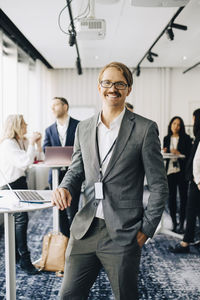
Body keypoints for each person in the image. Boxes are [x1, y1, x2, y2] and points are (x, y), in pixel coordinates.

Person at [52, 62, 169, 300]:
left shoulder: (145, 129)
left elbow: (159, 186)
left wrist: (146, 230)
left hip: (124, 232)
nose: (112, 88)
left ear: (128, 89)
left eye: (119, 83)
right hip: (85, 229)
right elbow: (76, 169)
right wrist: (64, 186)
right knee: (68, 296)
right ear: (99, 87)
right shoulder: (84, 128)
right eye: (107, 82)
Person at [0, 114, 43, 274]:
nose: (27, 125)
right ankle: (24, 260)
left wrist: (36, 145)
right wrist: (31, 144)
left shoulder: (22, 141)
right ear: (17, 125)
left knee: (20, 221)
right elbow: (25, 162)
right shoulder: (8, 144)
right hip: (10, 186)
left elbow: (38, 158)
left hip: (20, 184)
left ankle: (16, 257)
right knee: (21, 220)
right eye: (24, 123)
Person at [43, 97, 80, 238]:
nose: (52, 108)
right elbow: (46, 149)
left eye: (55, 105)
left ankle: (75, 239)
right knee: (59, 210)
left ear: (65, 107)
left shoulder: (79, 126)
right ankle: (64, 239)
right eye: (51, 106)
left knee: (73, 208)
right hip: (56, 175)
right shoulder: (49, 130)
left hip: (73, 174)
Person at [169, 108, 200, 253]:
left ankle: (185, 243)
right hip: (190, 178)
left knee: (190, 209)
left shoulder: (195, 137)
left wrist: (198, 181)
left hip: (196, 180)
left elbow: (196, 161)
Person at [163, 116, 192, 233]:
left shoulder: (186, 138)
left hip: (182, 171)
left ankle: (182, 222)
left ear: (181, 127)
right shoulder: (166, 138)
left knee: (183, 197)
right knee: (171, 198)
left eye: (178, 124)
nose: (176, 126)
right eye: (174, 124)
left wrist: (179, 153)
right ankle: (174, 222)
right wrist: (164, 151)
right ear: (170, 125)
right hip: (170, 171)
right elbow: (164, 153)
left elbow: (190, 156)